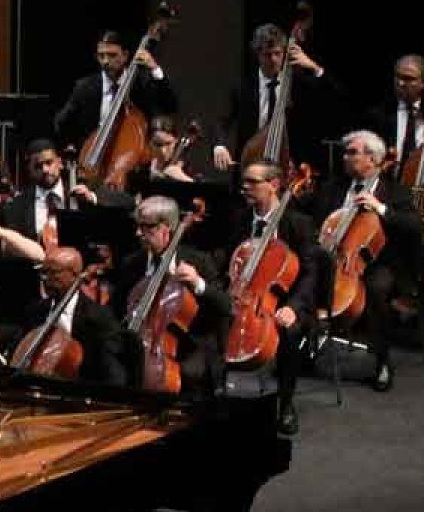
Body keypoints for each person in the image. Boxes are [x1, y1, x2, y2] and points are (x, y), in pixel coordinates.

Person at [298, 130, 421, 392]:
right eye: (346, 152)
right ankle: (305, 347)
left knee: (377, 289)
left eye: (353, 152)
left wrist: (381, 208)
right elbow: (311, 218)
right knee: (305, 277)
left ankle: (382, 361)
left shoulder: (395, 191)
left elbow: (415, 226)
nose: (346, 156)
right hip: (338, 257)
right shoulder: (334, 186)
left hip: (380, 262)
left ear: (374, 159)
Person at [219, 162, 320, 432]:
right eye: (244, 181)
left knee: (289, 332)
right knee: (211, 316)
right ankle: (215, 391)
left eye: (253, 182)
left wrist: (294, 308)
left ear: (274, 185)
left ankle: (285, 403)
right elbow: (225, 262)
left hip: (286, 300)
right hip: (243, 295)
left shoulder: (298, 223)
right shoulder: (240, 219)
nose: (245, 187)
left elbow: (311, 273)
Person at [112, 195, 232, 395]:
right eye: (137, 226)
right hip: (141, 342)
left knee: (190, 373)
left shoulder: (199, 261)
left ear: (166, 228)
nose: (138, 233)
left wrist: (197, 283)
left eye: (146, 227)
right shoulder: (132, 263)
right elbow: (115, 308)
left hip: (190, 345)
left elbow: (225, 305)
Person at [214, 22, 346, 171]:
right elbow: (222, 120)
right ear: (257, 54)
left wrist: (314, 67)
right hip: (252, 165)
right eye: (267, 54)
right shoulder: (243, 87)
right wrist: (220, 145)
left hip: (292, 168)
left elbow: (337, 98)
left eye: (278, 53)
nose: (273, 59)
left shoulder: (298, 83)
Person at [17, 247, 127, 386]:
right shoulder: (36, 311)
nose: (46, 279)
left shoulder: (99, 318)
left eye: (54, 273)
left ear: (74, 275)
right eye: (44, 272)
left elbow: (113, 375)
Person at [52, 29, 177, 149]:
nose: (105, 61)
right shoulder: (85, 87)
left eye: (112, 55)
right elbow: (62, 123)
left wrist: (154, 68)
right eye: (101, 56)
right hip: (94, 160)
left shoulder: (141, 84)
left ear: (125, 56)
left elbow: (170, 105)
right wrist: (71, 145)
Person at [370, 53, 424, 173]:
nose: (400, 83)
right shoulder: (379, 114)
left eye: (408, 79)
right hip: (389, 183)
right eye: (398, 77)